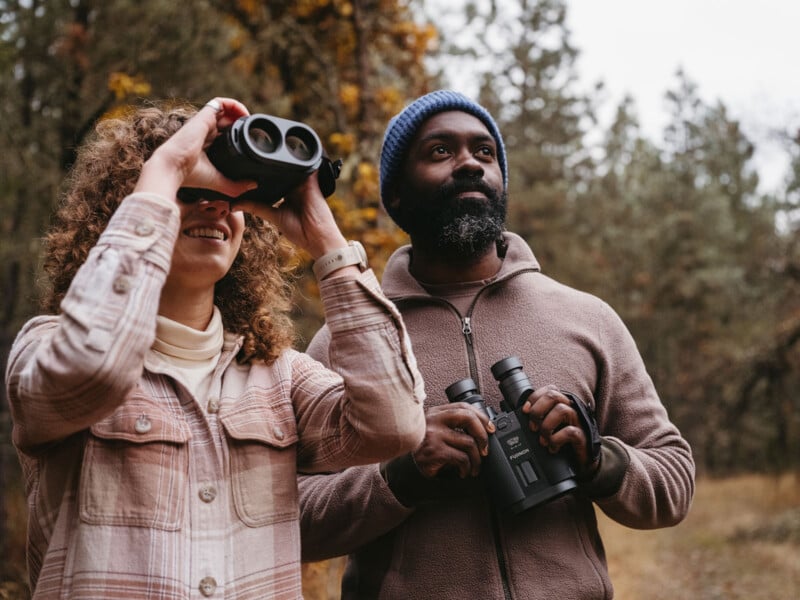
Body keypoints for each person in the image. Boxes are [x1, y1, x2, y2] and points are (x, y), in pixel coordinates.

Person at [5, 97, 426, 599]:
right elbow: (97, 367)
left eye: (227, 196)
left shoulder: (279, 377)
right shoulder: (46, 346)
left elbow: (396, 424)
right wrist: (163, 168)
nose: (214, 206)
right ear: (131, 207)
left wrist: (324, 237)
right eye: (188, 192)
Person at [298, 90, 695, 599]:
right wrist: (402, 477)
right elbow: (290, 517)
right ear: (395, 194)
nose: (469, 164)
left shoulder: (587, 318)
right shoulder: (348, 339)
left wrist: (597, 457)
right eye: (440, 151)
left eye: (484, 152)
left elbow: (674, 480)